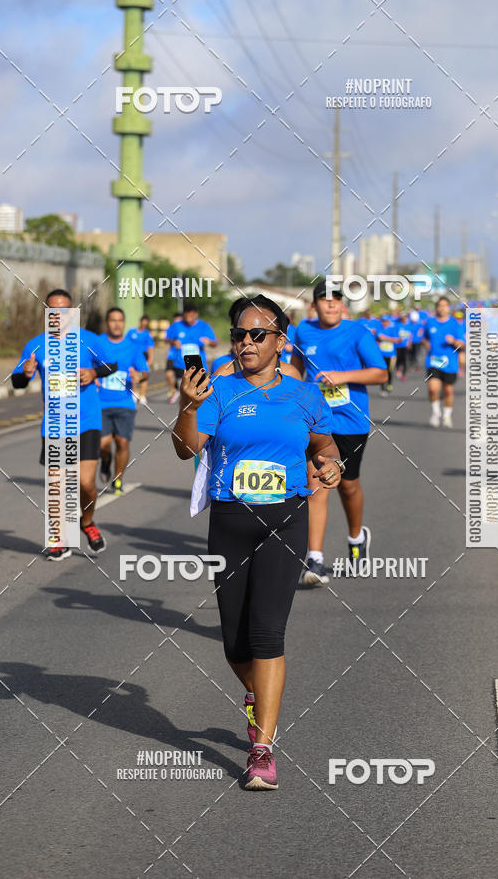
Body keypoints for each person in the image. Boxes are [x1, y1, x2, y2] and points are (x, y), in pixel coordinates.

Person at [172, 294, 342, 791]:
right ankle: (258, 698)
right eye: (238, 334)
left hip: (285, 519)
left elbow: (325, 445)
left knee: (268, 634)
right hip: (229, 522)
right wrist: (189, 404)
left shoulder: (305, 395)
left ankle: (262, 749)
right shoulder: (219, 393)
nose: (245, 342)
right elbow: (185, 450)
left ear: (280, 342)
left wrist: (332, 465)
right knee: (234, 643)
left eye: (257, 335)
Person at [291, 279, 388, 585]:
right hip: (315, 421)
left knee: (347, 486)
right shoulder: (303, 332)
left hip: (351, 422)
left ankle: (357, 537)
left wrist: (342, 376)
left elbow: (381, 372)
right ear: (314, 304)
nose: (330, 303)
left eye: (336, 299)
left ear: (343, 305)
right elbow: (294, 370)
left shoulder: (357, 332)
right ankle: (315, 560)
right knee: (316, 485)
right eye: (324, 298)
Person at [11, 288, 113, 560]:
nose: (58, 315)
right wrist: (25, 373)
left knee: (85, 483)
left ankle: (87, 522)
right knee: (57, 484)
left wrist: (94, 371)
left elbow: (111, 365)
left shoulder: (89, 340)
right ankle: (60, 539)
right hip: (55, 424)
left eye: (64, 310)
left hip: (87, 421)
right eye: (52, 310)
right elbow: (18, 381)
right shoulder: (35, 345)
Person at [96, 307, 149, 494]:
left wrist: (138, 376)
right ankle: (105, 462)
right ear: (107, 323)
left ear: (124, 323)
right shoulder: (97, 343)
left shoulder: (133, 346)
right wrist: (91, 376)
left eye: (120, 320)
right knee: (103, 445)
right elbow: (85, 364)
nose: (116, 324)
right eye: (113, 320)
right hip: (100, 402)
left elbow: (144, 372)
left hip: (125, 403)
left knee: (122, 442)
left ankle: (117, 479)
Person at [423, 296, 466, 429]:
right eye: (440, 305)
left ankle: (447, 415)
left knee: (448, 391)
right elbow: (424, 338)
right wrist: (426, 344)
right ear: (436, 308)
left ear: (449, 308)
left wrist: (453, 341)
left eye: (445, 305)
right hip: (433, 361)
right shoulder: (430, 322)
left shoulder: (455, 324)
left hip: (450, 364)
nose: (442, 308)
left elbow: (462, 345)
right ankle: (436, 412)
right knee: (433, 388)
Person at [165, 301, 217, 403]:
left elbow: (215, 343)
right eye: (186, 315)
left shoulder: (204, 326)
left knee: (199, 397)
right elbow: (166, 339)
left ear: (196, 314)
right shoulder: (177, 325)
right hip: (181, 367)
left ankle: (200, 417)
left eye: (191, 315)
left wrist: (209, 342)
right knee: (185, 397)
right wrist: (173, 341)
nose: (188, 318)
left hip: (199, 367)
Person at [126, 314, 154, 405]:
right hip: (131, 356)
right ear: (141, 321)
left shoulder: (147, 334)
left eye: (146, 322)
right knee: (133, 374)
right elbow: (125, 342)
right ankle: (135, 393)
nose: (144, 323)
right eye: (143, 321)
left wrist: (150, 359)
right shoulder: (131, 331)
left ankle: (142, 395)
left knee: (144, 375)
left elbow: (150, 347)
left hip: (142, 357)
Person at [377, 315, 400, 395]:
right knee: (382, 371)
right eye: (383, 321)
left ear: (389, 322)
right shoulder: (379, 329)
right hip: (381, 354)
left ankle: (389, 384)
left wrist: (386, 338)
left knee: (390, 371)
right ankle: (382, 388)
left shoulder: (392, 330)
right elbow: (379, 338)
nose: (384, 323)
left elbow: (398, 340)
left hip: (391, 355)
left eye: (386, 321)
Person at [394, 312, 413, 381]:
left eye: (405, 317)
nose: (404, 319)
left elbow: (410, 335)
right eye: (403, 317)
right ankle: (398, 370)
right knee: (398, 359)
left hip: (405, 345)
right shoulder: (397, 325)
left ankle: (404, 374)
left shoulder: (409, 325)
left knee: (404, 360)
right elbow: (395, 334)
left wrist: (409, 343)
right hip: (398, 345)